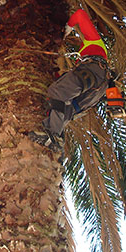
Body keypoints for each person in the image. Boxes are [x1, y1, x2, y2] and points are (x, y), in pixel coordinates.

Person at [29, 9, 111, 151]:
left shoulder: (95, 41)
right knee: (67, 108)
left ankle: (53, 135)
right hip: (97, 89)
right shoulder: (86, 56)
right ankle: (55, 144)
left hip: (94, 73)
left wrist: (68, 26)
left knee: (58, 91)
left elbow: (80, 14)